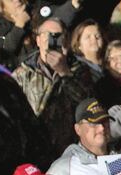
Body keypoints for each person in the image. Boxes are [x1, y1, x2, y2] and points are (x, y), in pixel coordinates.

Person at [12, 15, 94, 160]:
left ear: (67, 41)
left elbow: (88, 105)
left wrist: (64, 72)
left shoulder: (80, 70)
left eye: (58, 35)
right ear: (38, 40)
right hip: (36, 152)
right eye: (48, 35)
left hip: (73, 150)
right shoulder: (22, 73)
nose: (53, 39)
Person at [70, 18, 106, 83]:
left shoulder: (111, 64)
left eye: (97, 36)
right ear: (78, 45)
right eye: (88, 37)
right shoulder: (77, 70)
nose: (94, 39)